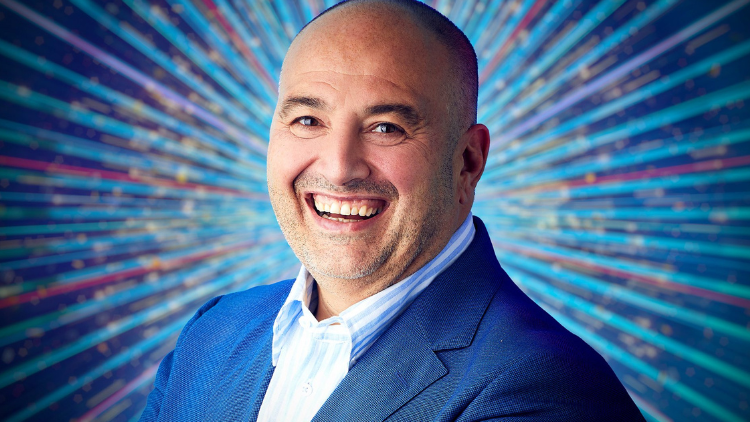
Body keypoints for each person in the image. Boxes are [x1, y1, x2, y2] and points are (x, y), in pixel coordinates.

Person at [140, 0, 645, 421]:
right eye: (308, 119)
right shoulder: (215, 330)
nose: (339, 169)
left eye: (387, 128)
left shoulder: (542, 387)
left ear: (467, 162)